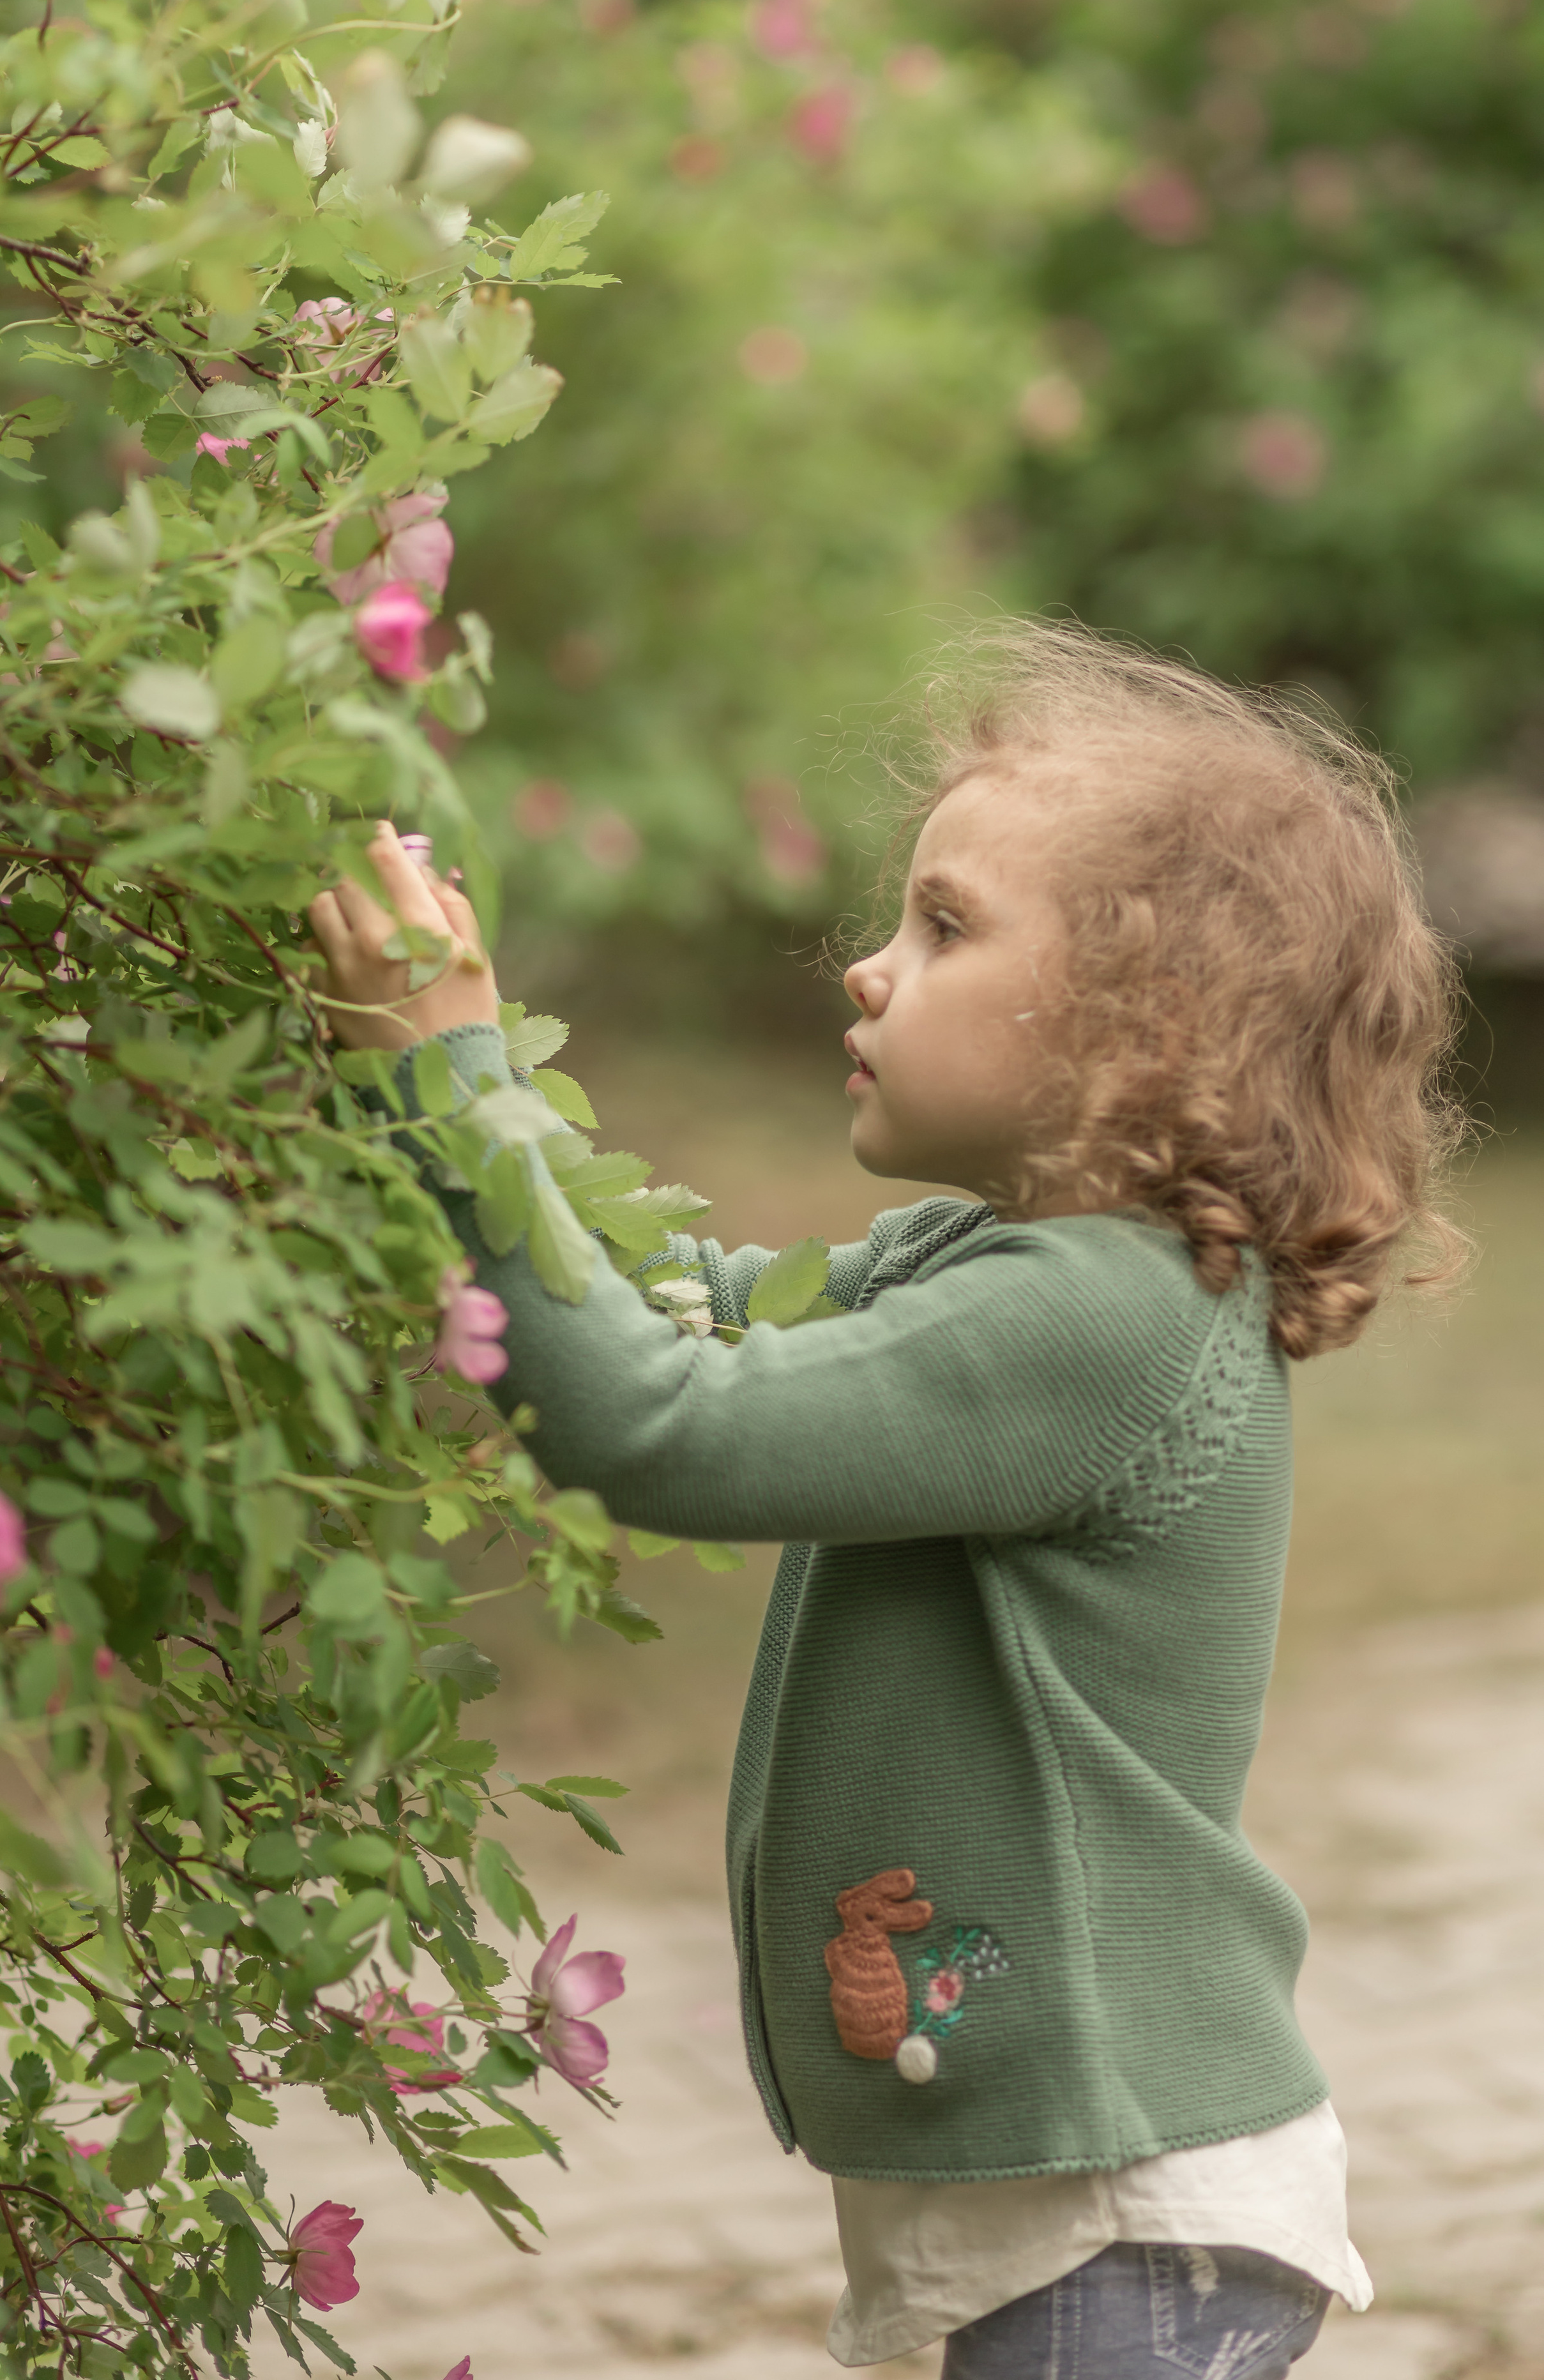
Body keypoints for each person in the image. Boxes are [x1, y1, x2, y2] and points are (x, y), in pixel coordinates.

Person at [305, 621, 1464, 2378]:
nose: (864, 969)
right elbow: (685, 1305)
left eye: (943, 926)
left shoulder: (1107, 1316)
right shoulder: (991, 1262)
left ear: (1134, 1031)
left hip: (1124, 2214)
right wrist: (429, 1120)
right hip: (1076, 2211)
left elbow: (663, 1423)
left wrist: (460, 1085)